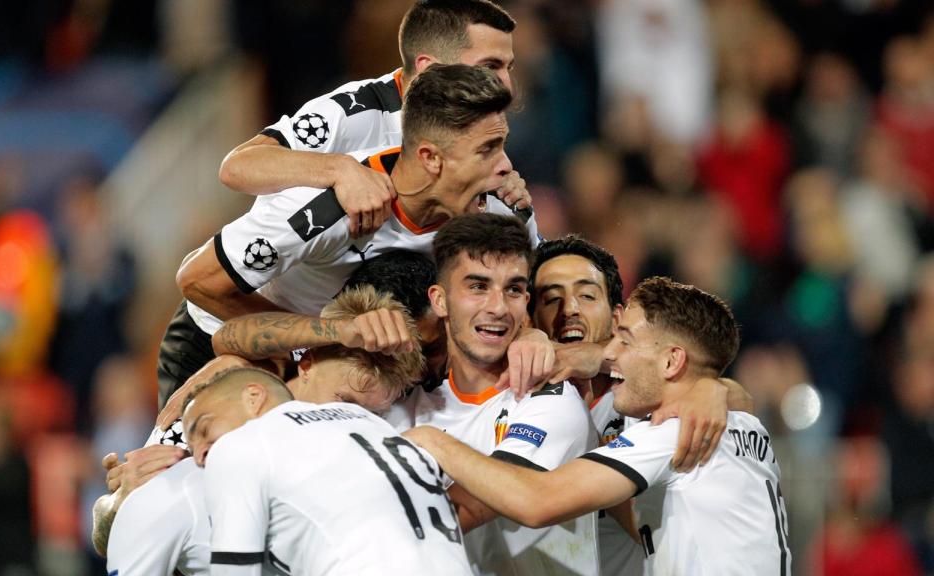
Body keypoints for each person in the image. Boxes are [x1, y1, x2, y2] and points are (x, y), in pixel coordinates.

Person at [162, 63, 538, 407]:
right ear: (430, 158)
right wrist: (318, 341)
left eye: (502, 145)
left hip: (362, 363)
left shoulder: (499, 209)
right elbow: (198, 282)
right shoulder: (325, 209)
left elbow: (541, 286)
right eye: (487, 150)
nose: (506, 166)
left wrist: (531, 335)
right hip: (231, 343)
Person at [406, 277, 792, 575]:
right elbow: (639, 516)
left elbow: (537, 501)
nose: (609, 352)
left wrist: (434, 442)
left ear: (672, 361)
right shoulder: (741, 424)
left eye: (625, 340)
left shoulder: (672, 434)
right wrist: (713, 388)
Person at [95, 286, 426, 565]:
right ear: (307, 363)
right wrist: (120, 502)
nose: (351, 420)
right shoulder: (222, 408)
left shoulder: (365, 452)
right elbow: (110, 537)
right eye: (344, 401)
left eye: (369, 413)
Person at [384, 213, 599, 575]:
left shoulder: (551, 400)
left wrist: (431, 442)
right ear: (439, 300)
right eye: (478, 287)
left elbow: (466, 510)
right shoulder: (403, 408)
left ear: (525, 300)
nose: (498, 308)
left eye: (513, 289)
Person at [220, 0, 519, 237]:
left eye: (509, 68)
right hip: (291, 285)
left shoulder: (477, 127)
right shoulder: (351, 111)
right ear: (429, 66)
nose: (508, 86)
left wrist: (502, 195)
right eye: (489, 66)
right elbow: (237, 167)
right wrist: (340, 169)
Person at [187, 366, 473, 575]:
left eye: (204, 428)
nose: (199, 456)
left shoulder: (239, 445)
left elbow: (235, 571)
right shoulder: (366, 421)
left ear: (253, 397)